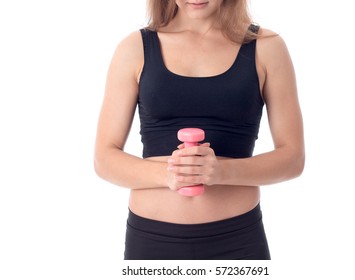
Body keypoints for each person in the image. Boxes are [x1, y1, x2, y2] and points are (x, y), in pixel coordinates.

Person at [94, 0, 304, 260]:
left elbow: (293, 158)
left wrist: (223, 172)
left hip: (237, 241)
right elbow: (104, 158)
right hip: (151, 241)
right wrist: (169, 175)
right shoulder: (134, 48)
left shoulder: (267, 47)